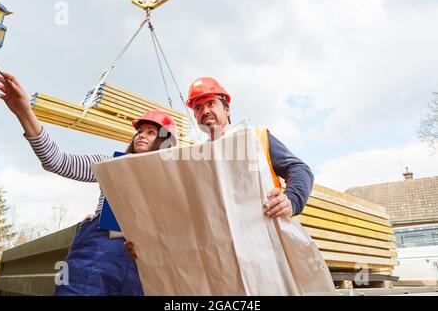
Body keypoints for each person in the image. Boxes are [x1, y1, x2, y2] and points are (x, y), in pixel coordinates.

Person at [0, 70, 177, 296]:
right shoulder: (108, 164)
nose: (141, 135)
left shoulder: (176, 180)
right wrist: (24, 111)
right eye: (139, 131)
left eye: (151, 132)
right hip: (97, 254)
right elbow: (57, 161)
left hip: (146, 263)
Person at [124, 76, 314, 259]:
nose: (204, 111)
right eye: (198, 108)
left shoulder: (254, 137)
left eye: (211, 104)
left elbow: (299, 169)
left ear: (227, 110)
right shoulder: (197, 158)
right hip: (220, 252)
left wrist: (291, 199)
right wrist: (148, 242)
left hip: (265, 243)